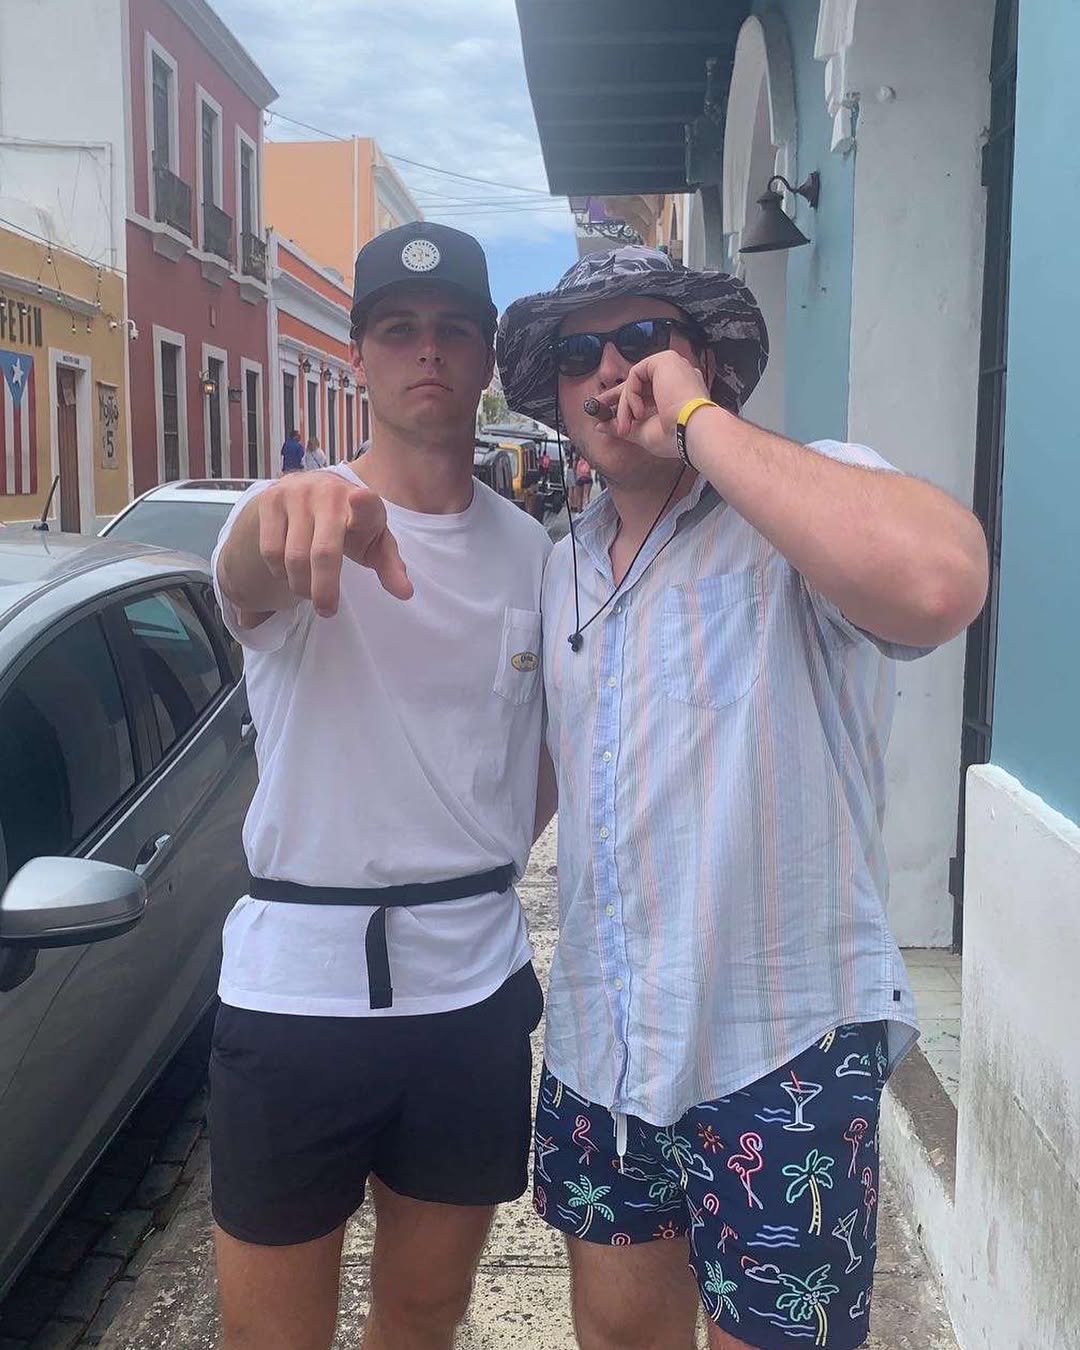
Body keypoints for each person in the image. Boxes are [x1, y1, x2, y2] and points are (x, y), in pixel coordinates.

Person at [497, 247, 988, 1350]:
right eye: (581, 352)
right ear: (557, 395)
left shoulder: (797, 500)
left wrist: (696, 422)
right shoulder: (560, 567)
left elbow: (939, 582)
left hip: (781, 1049)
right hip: (602, 1046)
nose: (612, 370)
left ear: (703, 359)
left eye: (643, 340)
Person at [210, 222, 553, 1350]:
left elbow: (541, 754)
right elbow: (249, 574)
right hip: (296, 1000)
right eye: (399, 330)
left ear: (486, 355)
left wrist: (475, 845)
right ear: (356, 356)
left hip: (471, 996)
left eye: (453, 329)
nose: (428, 351)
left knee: (422, 1318)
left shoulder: (534, 555)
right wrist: (284, 511)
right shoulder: (297, 520)